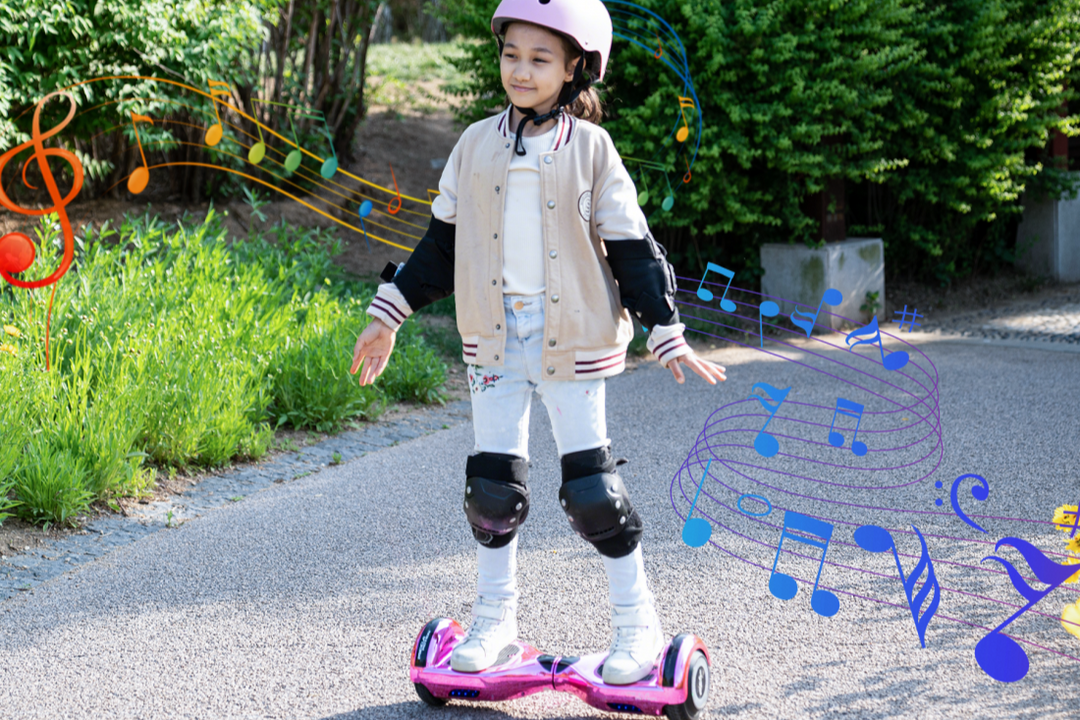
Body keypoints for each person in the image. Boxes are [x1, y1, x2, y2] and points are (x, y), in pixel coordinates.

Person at [350, 0, 726, 686]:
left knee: (594, 493)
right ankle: (495, 624)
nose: (520, 70)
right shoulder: (474, 144)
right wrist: (390, 313)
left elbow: (633, 250)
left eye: (540, 59)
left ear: (575, 68)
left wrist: (666, 331)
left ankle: (637, 630)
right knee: (492, 491)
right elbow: (441, 247)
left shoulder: (591, 150)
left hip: (572, 341)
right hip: (494, 340)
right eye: (511, 54)